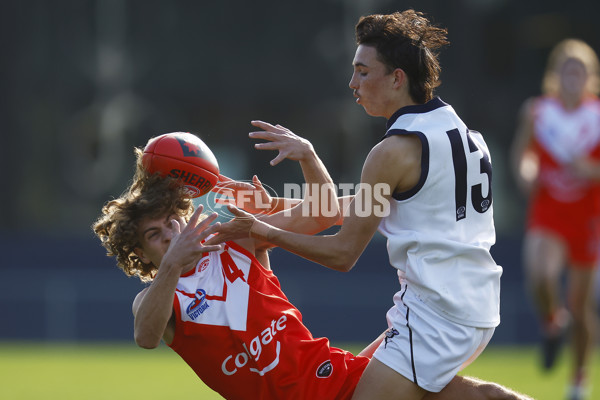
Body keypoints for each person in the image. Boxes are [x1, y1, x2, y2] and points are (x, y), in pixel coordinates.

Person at [93, 130, 531, 400]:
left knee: (484, 396)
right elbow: (146, 337)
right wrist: (171, 266)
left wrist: (307, 155)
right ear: (140, 253)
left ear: (185, 214)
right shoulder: (155, 301)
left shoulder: (236, 239)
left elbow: (324, 213)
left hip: (339, 380)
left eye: (172, 221)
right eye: (155, 235)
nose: (170, 234)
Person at [205, 10, 504, 400]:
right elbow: (359, 207)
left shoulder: (393, 151)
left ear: (397, 78)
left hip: (438, 314)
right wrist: (284, 192)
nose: (352, 83)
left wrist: (259, 230)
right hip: (470, 305)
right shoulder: (463, 134)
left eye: (363, 71)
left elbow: (343, 253)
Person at [510, 38, 600, 399]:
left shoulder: (596, 117)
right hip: (548, 209)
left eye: (579, 72)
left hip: (587, 214)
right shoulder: (537, 112)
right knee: (540, 273)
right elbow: (524, 153)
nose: (572, 78)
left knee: (580, 306)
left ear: (590, 77)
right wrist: (526, 172)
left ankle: (578, 380)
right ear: (555, 75)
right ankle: (551, 323)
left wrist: (589, 169)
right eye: (567, 71)